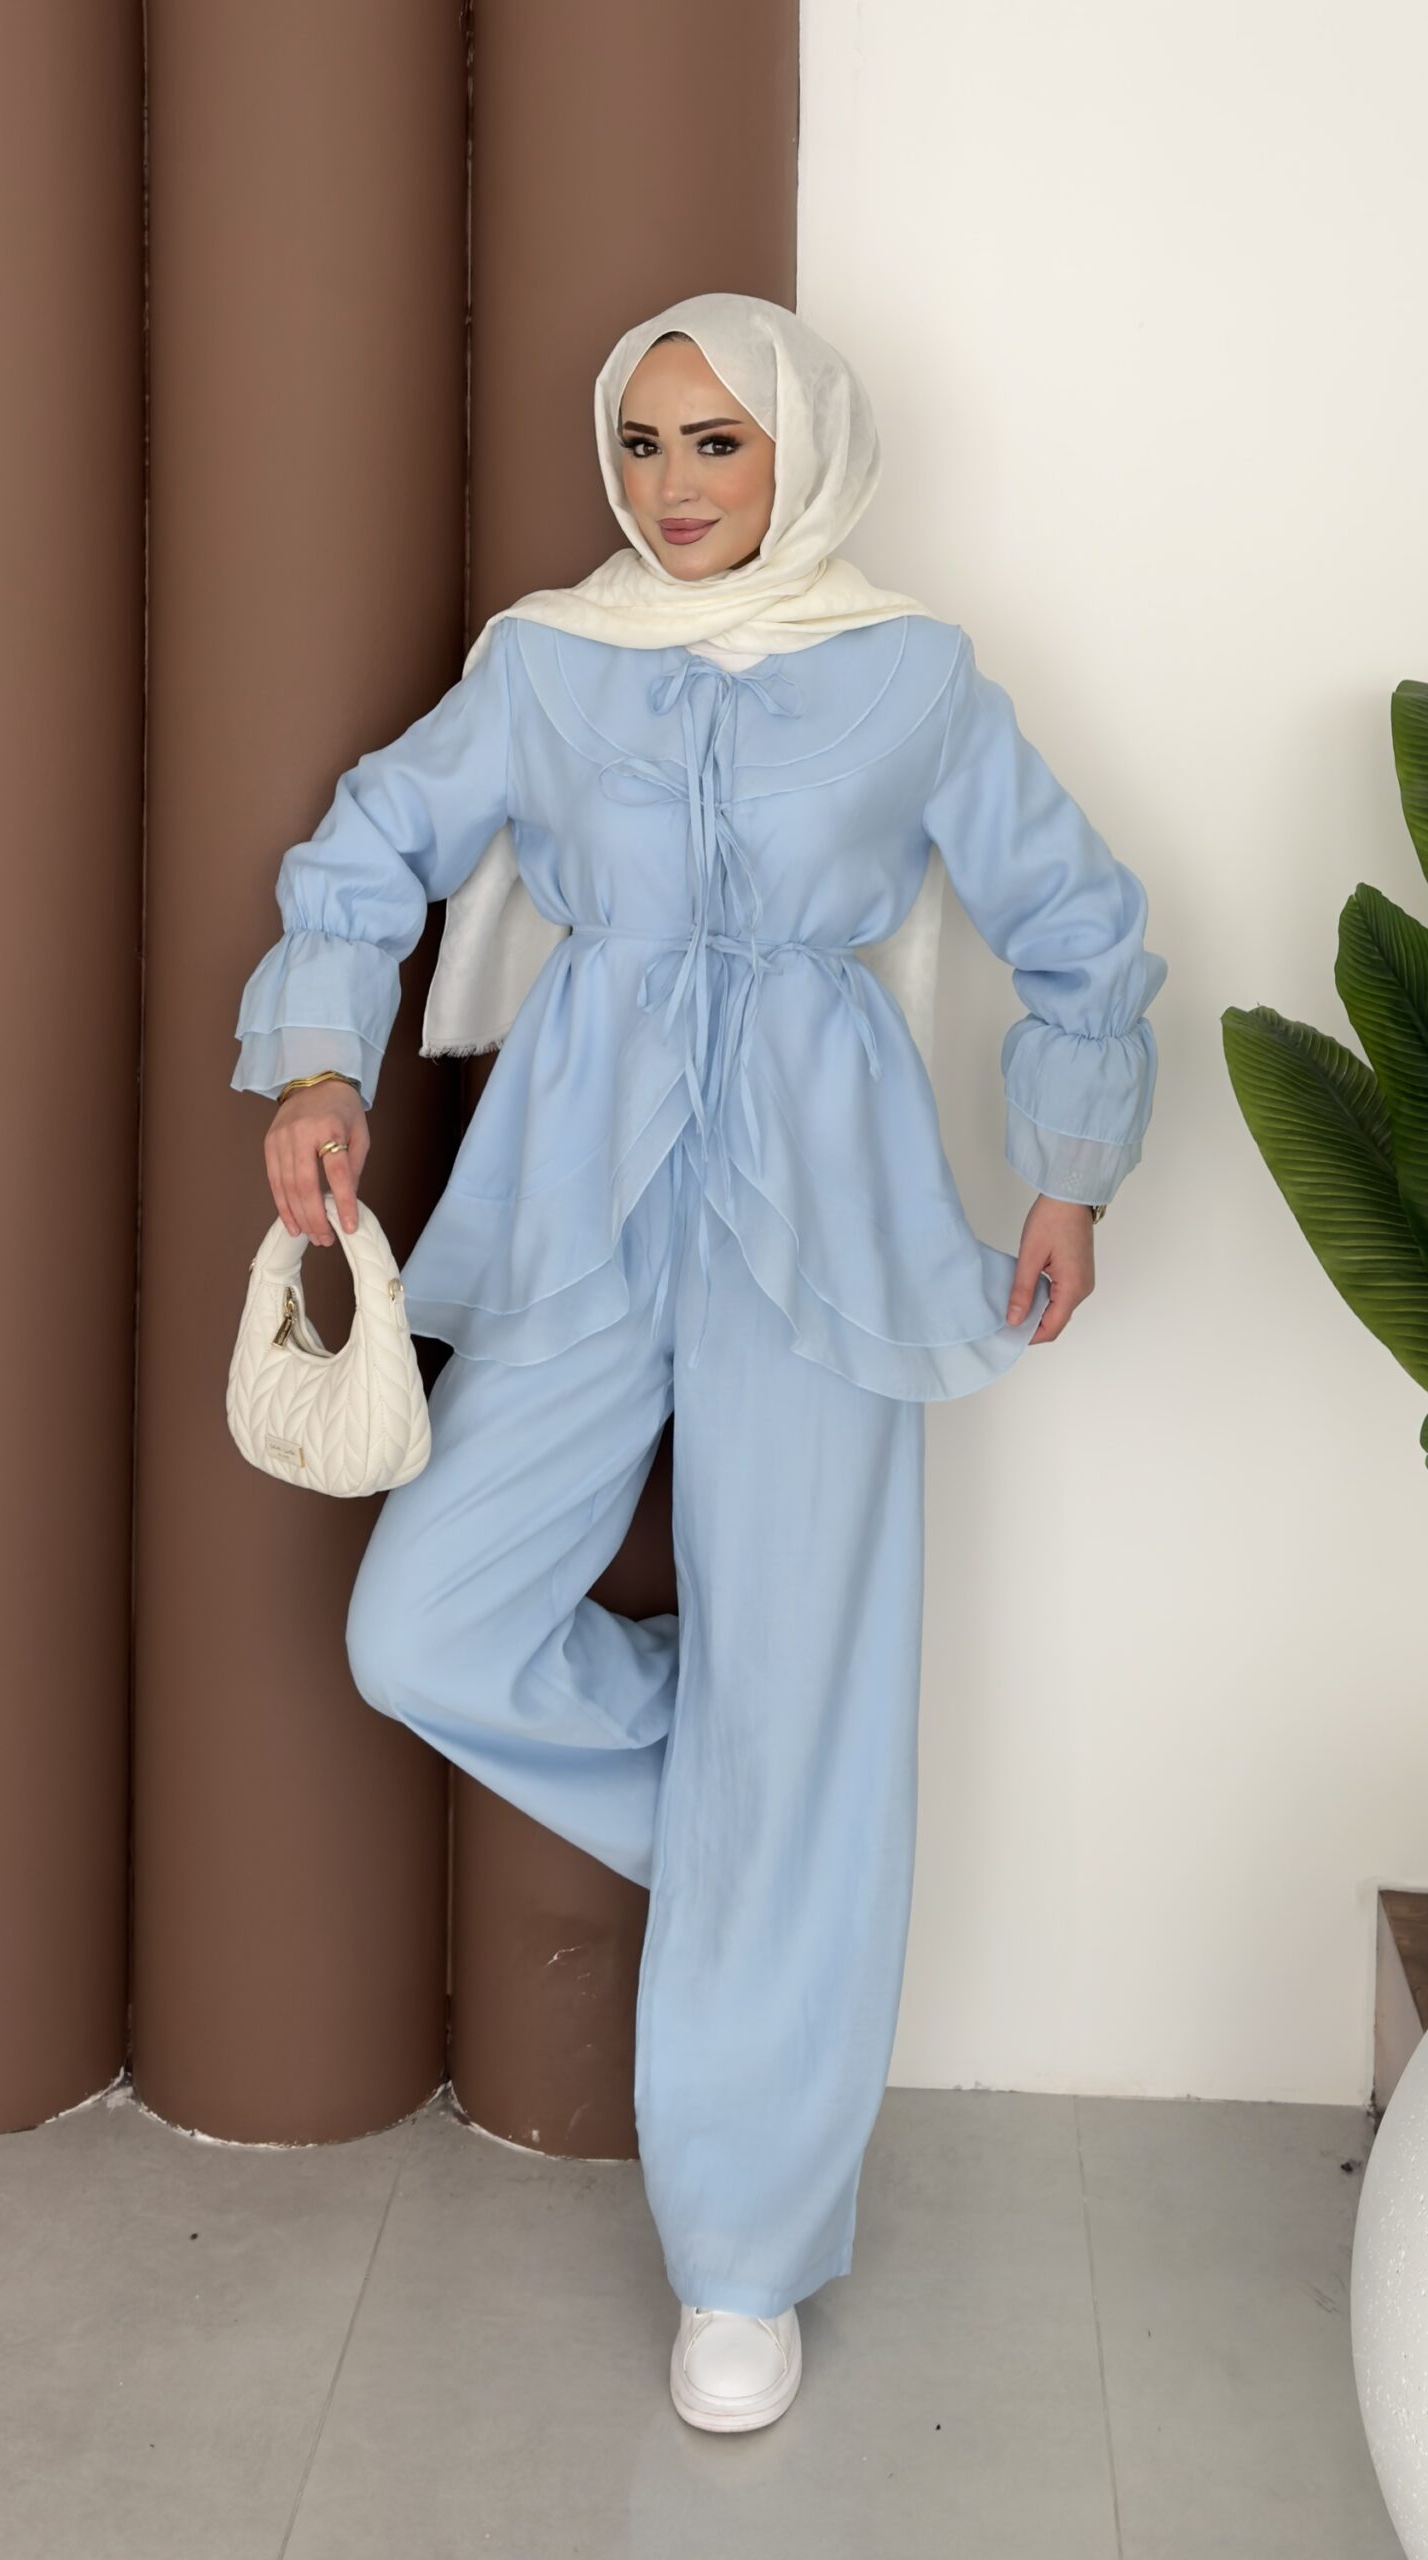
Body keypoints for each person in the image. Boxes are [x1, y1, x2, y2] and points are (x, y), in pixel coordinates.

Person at [230, 292, 1167, 2433]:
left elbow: (1082, 925)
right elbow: (371, 845)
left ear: (799, 453)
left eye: (717, 444)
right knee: (422, 1623)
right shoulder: (550, 664)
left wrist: (1067, 1170)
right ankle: (760, 1811)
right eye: (643, 444)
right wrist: (317, 1060)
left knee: (807, 1692)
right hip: (582, 1190)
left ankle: (742, 2255)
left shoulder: (913, 675)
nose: (672, 488)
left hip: (824, 1214)